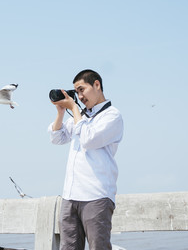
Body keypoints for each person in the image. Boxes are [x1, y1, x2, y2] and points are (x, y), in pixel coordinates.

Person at [49, 69, 124, 250]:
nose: (80, 96)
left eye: (82, 90)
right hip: (70, 195)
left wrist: (73, 108)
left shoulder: (112, 116)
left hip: (96, 195)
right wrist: (61, 112)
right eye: (76, 92)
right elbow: (56, 138)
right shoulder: (81, 117)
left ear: (97, 85)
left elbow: (89, 139)